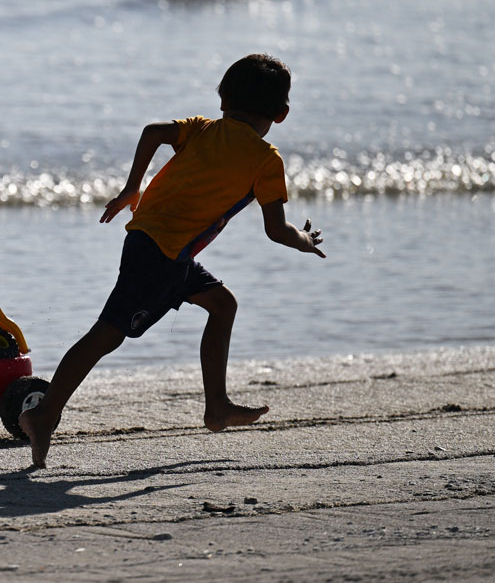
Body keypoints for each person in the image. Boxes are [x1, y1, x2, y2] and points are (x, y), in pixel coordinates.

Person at [20, 54, 326, 468]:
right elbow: (277, 230)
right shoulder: (266, 159)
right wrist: (305, 240)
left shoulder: (203, 129)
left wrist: (133, 188)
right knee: (107, 333)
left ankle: (217, 407)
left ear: (222, 100)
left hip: (162, 247)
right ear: (282, 113)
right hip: (162, 254)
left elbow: (152, 132)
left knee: (222, 304)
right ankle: (44, 414)